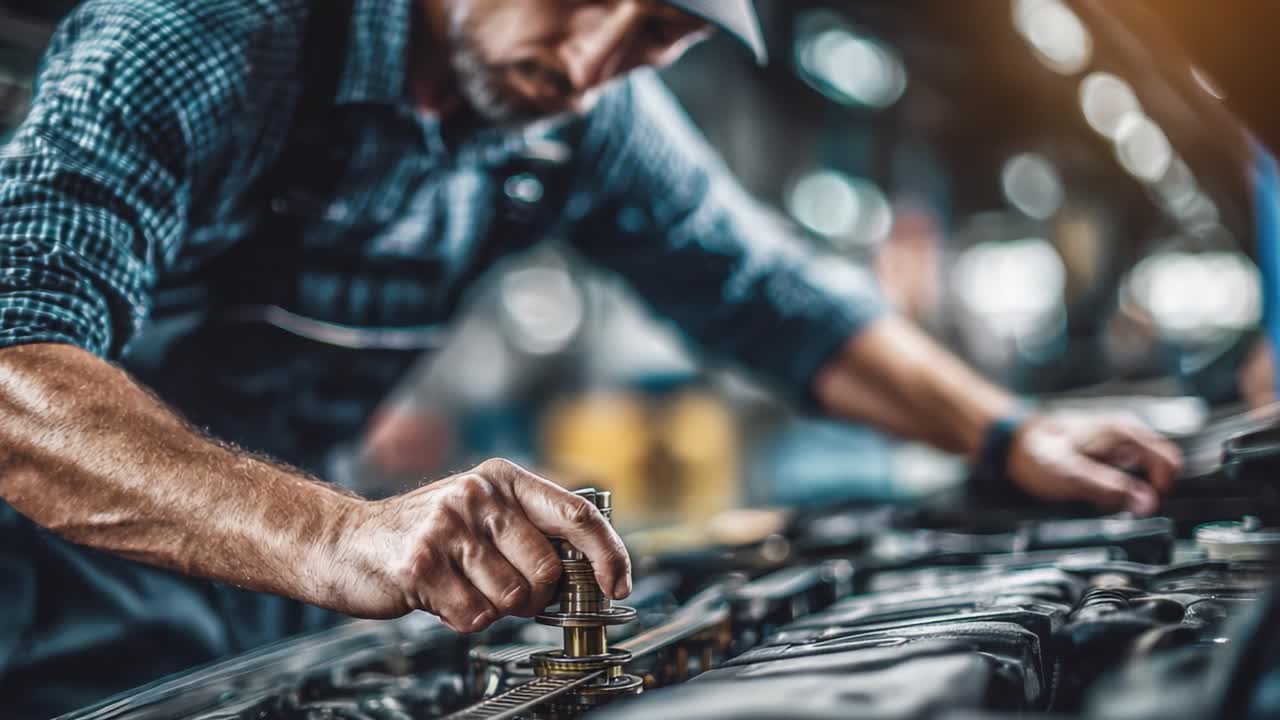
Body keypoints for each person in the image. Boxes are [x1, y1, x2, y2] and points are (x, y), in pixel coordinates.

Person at [0, 0, 1181, 715]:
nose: (586, 60)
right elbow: (13, 369)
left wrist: (1006, 433)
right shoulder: (206, 31)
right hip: (37, 620)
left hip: (262, 624)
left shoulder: (572, 120)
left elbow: (767, 293)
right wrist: (337, 533)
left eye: (657, 30)